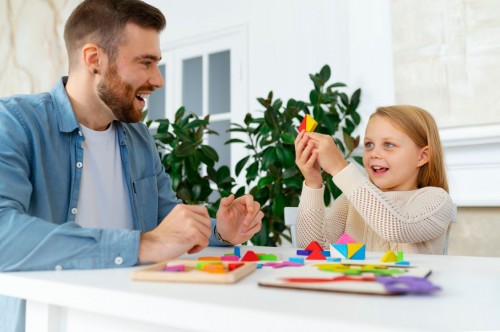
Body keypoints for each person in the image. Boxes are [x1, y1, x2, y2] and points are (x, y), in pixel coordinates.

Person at [0, 0, 262, 330]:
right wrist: (144, 244)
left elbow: (164, 217)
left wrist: (220, 230)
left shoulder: (138, 137)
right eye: (145, 63)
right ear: (94, 59)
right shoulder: (15, 122)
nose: (158, 79)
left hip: (133, 318)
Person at [294, 105, 454, 255]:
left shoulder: (437, 200)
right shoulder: (350, 202)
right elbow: (312, 249)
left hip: (407, 285)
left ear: (422, 156)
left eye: (389, 145)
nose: (374, 153)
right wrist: (313, 182)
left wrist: (339, 168)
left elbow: (396, 228)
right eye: (369, 144)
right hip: (355, 284)